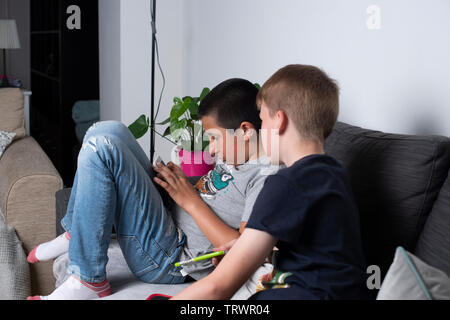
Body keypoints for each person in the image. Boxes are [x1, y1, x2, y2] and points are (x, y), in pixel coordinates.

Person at [27, 78, 279, 300]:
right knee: (105, 129)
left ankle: (88, 278)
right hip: (168, 218)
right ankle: (76, 232)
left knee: (101, 149)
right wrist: (175, 184)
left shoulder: (265, 178)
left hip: (169, 257)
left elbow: (244, 249)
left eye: (214, 138)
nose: (211, 149)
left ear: (245, 131)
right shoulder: (238, 153)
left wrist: (190, 200)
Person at [172, 64, 372, 300]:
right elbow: (316, 252)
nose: (260, 130)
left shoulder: (284, 183)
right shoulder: (335, 174)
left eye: (262, 120)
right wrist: (244, 247)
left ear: (279, 120)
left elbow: (218, 287)